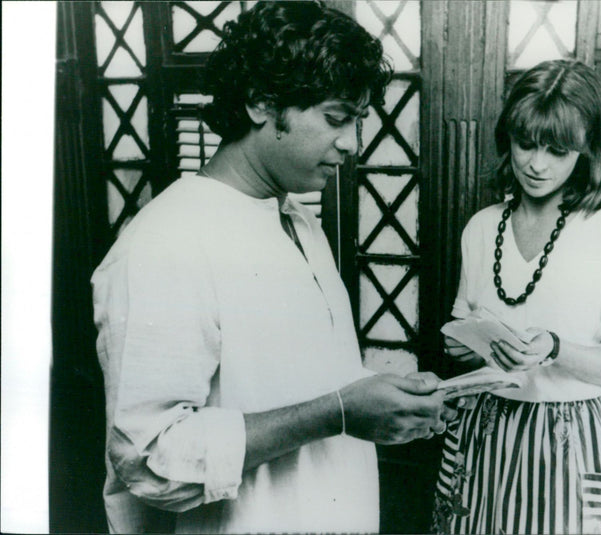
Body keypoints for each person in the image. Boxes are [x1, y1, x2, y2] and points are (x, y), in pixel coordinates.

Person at [91, 2, 456, 533]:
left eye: (357, 121)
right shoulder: (165, 242)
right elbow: (149, 458)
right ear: (263, 103)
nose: (352, 145)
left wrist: (385, 399)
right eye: (337, 118)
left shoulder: (297, 221)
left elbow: (298, 384)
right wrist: (340, 412)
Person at [431, 60, 601, 534]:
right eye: (526, 143)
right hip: (485, 430)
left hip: (573, 441)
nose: (537, 163)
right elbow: (461, 337)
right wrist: (465, 346)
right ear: (507, 138)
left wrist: (554, 347)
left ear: (587, 149)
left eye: (557, 149)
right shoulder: (480, 228)